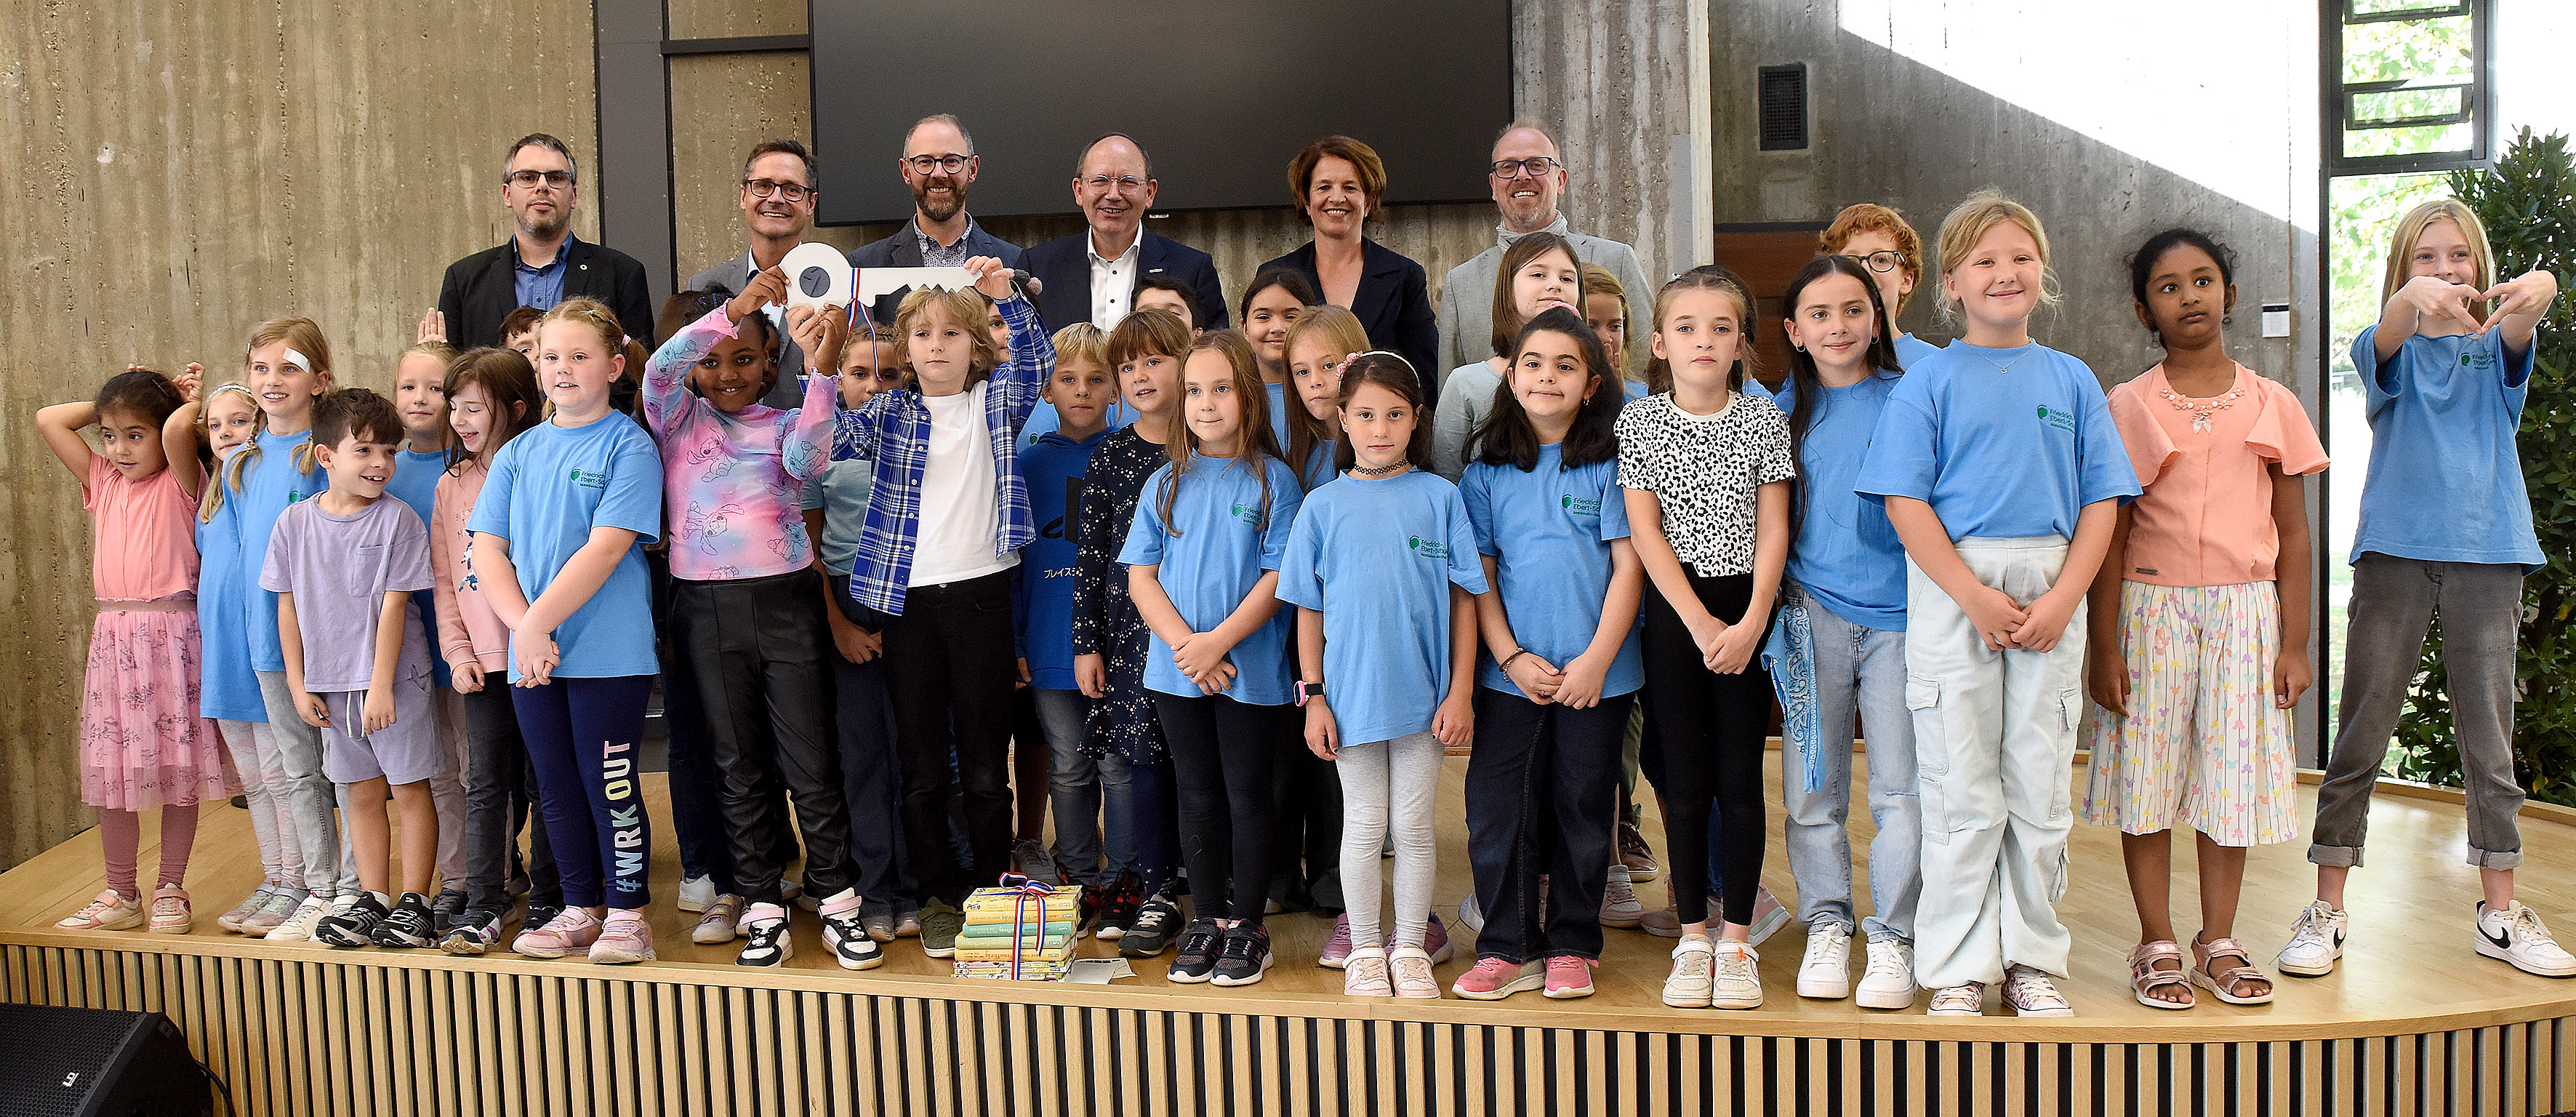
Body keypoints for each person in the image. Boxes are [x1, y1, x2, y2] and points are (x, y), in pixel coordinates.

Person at [1856, 191, 2140, 1017]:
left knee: (2038, 780)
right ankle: (1955, 967)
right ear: (1951, 281)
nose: (2004, 272)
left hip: (2055, 585)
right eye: (1984, 260)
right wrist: (1975, 596)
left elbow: (2102, 503)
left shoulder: (2073, 378)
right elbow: (1906, 503)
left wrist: (2063, 599)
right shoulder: (1929, 380)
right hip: (1956, 589)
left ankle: (2031, 962)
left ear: (2042, 272)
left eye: (2019, 257)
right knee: (1958, 786)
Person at [2277, 199, 2570, 980]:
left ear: (2481, 266)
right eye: (2425, 258)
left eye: (2460, 256)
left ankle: (2500, 915)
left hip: (2489, 554)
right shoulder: (2389, 350)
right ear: (2401, 274)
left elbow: (2525, 313)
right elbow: (2383, 333)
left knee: (2491, 740)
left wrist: (2540, 280)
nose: (2445, 271)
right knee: (2361, 732)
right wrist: (2410, 303)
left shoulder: (2501, 345)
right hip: (2394, 555)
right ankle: (2327, 907)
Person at [2082, 229, 2322, 1009]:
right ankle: (2155, 940)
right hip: (2149, 613)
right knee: (2146, 779)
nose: (2190, 296)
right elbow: (2110, 536)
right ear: (2144, 307)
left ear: (2228, 290)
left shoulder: (2271, 403)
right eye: (2169, 286)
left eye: (2204, 280)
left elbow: (2294, 531)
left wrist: (2294, 643)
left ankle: (2218, 938)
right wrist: (2102, 644)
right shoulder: (2128, 404)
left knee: (2231, 782)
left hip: (2246, 615)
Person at [646, 276, 875, 969]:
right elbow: (660, 368)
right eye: (712, 361)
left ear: (770, 364)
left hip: (786, 603)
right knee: (736, 763)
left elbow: (809, 460)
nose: (726, 374)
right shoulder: (676, 418)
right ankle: (762, 904)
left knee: (810, 760)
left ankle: (836, 900)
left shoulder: (784, 424)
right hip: (704, 608)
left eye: (745, 359)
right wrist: (733, 313)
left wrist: (824, 373)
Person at [829, 258, 1050, 956]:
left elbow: (1038, 360)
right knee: (922, 766)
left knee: (987, 764)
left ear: (976, 347)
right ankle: (935, 898)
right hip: (909, 605)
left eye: (953, 333)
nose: (935, 345)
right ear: (906, 345)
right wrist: (819, 365)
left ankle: (988, 888)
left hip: (983, 597)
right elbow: (821, 444)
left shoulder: (997, 401)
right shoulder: (889, 411)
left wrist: (1003, 298)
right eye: (921, 333)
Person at [1449, 308, 1642, 1002]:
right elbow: (1481, 579)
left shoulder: (1611, 466)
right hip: (1513, 678)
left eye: (1565, 366)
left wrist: (1594, 661)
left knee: (1583, 808)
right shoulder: (1486, 474)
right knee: (1498, 809)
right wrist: (1508, 659)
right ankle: (1505, 945)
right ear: (1510, 375)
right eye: (1533, 363)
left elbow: (1630, 569)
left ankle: (1570, 943)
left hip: (1600, 674)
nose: (1546, 376)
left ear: (1591, 384)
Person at [1280, 353, 1488, 1000]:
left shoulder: (1440, 498)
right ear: (1341, 418)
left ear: (1415, 418)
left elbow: (1464, 602)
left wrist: (1459, 691)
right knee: (1365, 826)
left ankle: (1408, 949)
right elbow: (1307, 611)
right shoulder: (1321, 506)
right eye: (1365, 414)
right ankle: (1366, 948)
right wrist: (1313, 696)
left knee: (1415, 827)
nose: (1379, 428)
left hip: (1425, 702)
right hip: (1350, 699)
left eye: (1394, 414)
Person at [469, 297, 667, 965]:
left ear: (613, 366)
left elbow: (605, 549)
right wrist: (526, 629)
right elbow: (487, 550)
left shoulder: (629, 445)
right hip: (535, 651)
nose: (562, 368)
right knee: (553, 785)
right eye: (550, 356)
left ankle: (628, 912)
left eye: (579, 356)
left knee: (607, 782)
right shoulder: (518, 453)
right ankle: (579, 906)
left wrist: (535, 624)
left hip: (607, 654)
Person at [1619, 268, 1795, 1011]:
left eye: (1720, 328)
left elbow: (1775, 526)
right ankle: (1694, 936)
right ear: (1660, 343)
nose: (1703, 340)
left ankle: (1737, 941)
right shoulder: (1641, 423)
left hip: (1746, 610)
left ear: (1739, 344)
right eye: (1686, 327)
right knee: (1685, 786)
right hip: (1677, 612)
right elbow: (1645, 530)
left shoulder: (1763, 421)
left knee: (1740, 784)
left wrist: (1752, 622)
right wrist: (1697, 623)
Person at [1123, 331, 1307, 986]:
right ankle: (1205, 920)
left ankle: (1247, 926)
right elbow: (1142, 576)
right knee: (1195, 794)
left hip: (1249, 673)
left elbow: (1277, 577)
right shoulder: (1164, 481)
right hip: (1176, 674)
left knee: (1247, 795)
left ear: (1249, 398)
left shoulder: (1273, 482)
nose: (1205, 403)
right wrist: (1186, 649)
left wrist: (1216, 645)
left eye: (1221, 389)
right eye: (1195, 390)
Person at [1768, 255, 1919, 1009]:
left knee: (1901, 790)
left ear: (1878, 317)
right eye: (1820, 314)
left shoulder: (1912, 395)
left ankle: (1894, 936)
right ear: (1795, 330)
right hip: (1807, 616)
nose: (1839, 326)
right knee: (1811, 790)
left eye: (1853, 309)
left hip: (1903, 622)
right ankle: (1828, 922)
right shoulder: (1773, 410)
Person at [41, 369, 231, 934]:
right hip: (113, 640)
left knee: (178, 767)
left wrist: (180, 398)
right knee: (111, 767)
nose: (120, 449)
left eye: (134, 434)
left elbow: (177, 428)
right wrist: (116, 398)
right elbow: (48, 419)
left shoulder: (182, 479)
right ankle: (120, 891)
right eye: (109, 434)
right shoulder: (102, 480)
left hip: (173, 636)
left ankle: (171, 885)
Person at [259, 389, 446, 948]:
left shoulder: (399, 521)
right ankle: (373, 897)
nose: (381, 464)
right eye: (364, 450)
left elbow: (394, 606)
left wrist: (381, 686)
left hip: (393, 683)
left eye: (389, 451)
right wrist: (297, 684)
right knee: (359, 793)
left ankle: (415, 901)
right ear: (326, 458)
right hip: (331, 688)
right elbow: (285, 607)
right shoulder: (293, 525)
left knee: (410, 788)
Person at [429, 348, 564, 955]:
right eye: (453, 406)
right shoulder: (450, 485)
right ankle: (485, 903)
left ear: (515, 408)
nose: (460, 418)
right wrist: (458, 652)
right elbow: (444, 579)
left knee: (546, 782)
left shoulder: (541, 468)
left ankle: (549, 899)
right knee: (484, 784)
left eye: (474, 407)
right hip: (483, 661)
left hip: (542, 658)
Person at [1076, 309, 1195, 959]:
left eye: (1155, 360)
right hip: (1128, 639)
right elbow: (1091, 555)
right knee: (1146, 762)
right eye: (1128, 366)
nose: (1140, 375)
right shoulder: (1112, 455)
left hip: (1208, 637)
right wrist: (1085, 642)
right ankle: (1155, 891)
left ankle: (1210, 889)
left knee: (1203, 765)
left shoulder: (1212, 444)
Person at [220, 320, 344, 942]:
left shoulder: (322, 459)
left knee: (343, 772)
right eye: (260, 368)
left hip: (329, 645)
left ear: (320, 381)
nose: (272, 381)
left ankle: (352, 888)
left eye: (289, 367)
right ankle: (311, 885)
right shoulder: (241, 463)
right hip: (269, 646)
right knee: (297, 772)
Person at [172, 377, 306, 936]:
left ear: (260, 426)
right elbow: (176, 432)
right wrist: (187, 405)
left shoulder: (260, 481)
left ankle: (299, 881)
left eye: (238, 420)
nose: (225, 432)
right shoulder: (212, 489)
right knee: (253, 783)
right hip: (222, 654)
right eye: (215, 423)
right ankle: (273, 878)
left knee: (283, 776)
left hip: (263, 649)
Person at [800, 320, 918, 942]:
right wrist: (839, 623)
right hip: (848, 601)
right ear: (837, 379)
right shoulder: (819, 446)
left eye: (889, 374)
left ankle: (916, 887)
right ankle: (875, 887)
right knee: (864, 755)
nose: (874, 386)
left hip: (914, 600)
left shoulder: (920, 437)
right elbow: (808, 551)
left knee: (918, 755)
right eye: (860, 373)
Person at [1016, 324, 1120, 919]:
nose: (1081, 391)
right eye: (1067, 379)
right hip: (1050, 641)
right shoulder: (1027, 465)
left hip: (1121, 647)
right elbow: (1011, 561)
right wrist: (1014, 638)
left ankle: (1126, 876)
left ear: (1115, 389)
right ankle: (1079, 873)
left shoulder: (1134, 456)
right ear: (1047, 390)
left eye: (1096, 379)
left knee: (1119, 765)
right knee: (1070, 763)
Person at [1435, 121, 1653, 380]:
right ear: (1493, 186)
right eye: (1508, 167)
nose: (1522, 175)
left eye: (1537, 165)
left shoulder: (1616, 260)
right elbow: (1450, 388)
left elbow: (1649, 366)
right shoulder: (1461, 283)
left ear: (1560, 181)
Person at [384, 342, 473, 934]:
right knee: (438, 770)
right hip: (408, 648)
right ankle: (459, 878)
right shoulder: (381, 464)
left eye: (435, 387)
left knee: (475, 768)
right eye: (408, 386)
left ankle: (493, 872)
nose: (420, 398)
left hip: (463, 640)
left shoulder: (467, 465)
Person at [436, 134, 656, 352]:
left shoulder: (623, 275)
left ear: (574, 196)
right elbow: (455, 377)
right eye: (528, 177)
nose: (542, 187)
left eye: (556, 178)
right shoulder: (464, 280)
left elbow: (637, 377)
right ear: (507, 194)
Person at [1259, 136, 1437, 385]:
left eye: (1350, 187)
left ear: (1369, 202)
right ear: (1307, 202)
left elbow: (1423, 377)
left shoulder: (1405, 276)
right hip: (1298, 422)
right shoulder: (1276, 275)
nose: (1337, 197)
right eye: (1324, 187)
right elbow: (1266, 368)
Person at [1022, 134, 1228, 332]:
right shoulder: (1038, 266)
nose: (1113, 195)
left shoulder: (1193, 270)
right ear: (1079, 191)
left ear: (1149, 193)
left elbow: (1216, 355)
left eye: (1128, 182)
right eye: (1100, 181)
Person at [685, 139, 831, 407]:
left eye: (791, 189)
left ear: (811, 204)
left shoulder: (840, 284)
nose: (775, 199)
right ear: (744, 196)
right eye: (763, 186)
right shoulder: (702, 284)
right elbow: (682, 376)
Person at [1429, 233, 1583, 482]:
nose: (1555, 285)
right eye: (1538, 274)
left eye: (1567, 278)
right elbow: (1448, 478)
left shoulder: (1588, 378)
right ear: (1508, 290)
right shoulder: (1466, 383)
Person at [848, 116, 1024, 326]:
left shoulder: (1015, 262)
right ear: (906, 171)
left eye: (951, 161)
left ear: (973, 169)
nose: (939, 173)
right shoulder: (864, 267)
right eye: (925, 162)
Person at [1819, 203, 1942, 369]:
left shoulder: (1935, 365)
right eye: (1851, 261)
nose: (1866, 271)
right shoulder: (1819, 361)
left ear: (1906, 280)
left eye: (1881, 260)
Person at [1237, 268, 1317, 455]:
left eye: (1291, 317)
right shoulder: (1233, 392)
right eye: (1263, 317)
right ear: (1245, 328)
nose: (1278, 328)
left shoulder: (1325, 388)